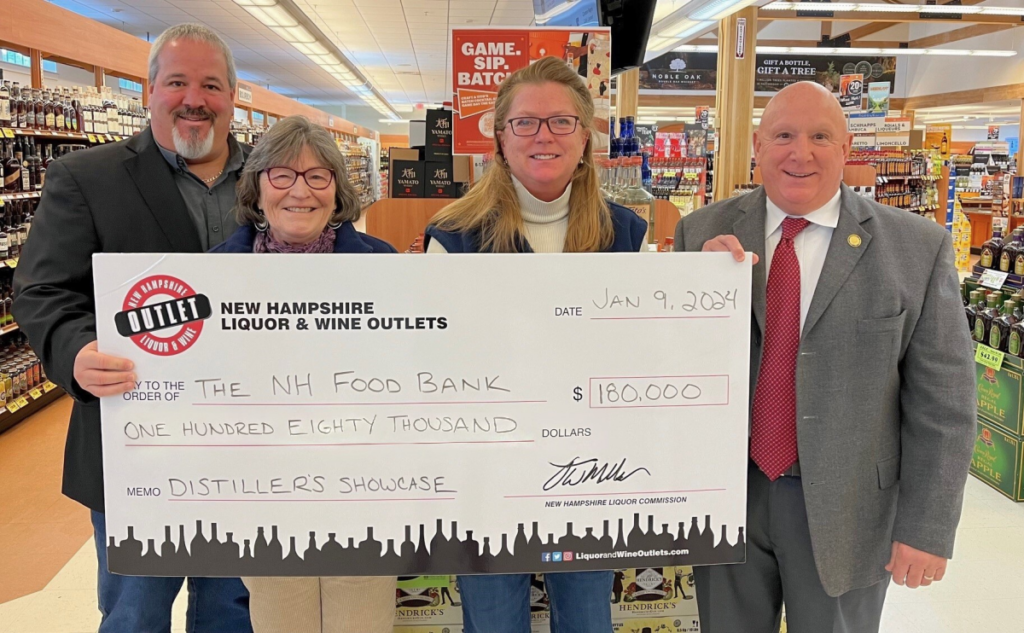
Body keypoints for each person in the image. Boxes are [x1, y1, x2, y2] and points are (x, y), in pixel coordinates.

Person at [674, 81, 975, 632]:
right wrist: (689, 288)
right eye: (784, 135)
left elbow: (945, 405)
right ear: (758, 147)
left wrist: (926, 529)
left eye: (819, 137)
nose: (800, 152)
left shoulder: (915, 247)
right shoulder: (703, 233)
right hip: (728, 498)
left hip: (851, 509)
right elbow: (671, 367)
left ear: (845, 150)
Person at [13, 24, 252, 633]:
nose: (193, 98)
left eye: (210, 84)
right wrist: (74, 353)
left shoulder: (276, 179)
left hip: (249, 444)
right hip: (135, 443)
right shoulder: (85, 178)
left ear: (233, 96)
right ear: (150, 91)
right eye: (176, 82)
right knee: (134, 612)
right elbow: (42, 290)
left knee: (235, 609)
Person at [425, 55, 647, 633]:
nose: (543, 135)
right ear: (500, 137)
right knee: (493, 623)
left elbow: (648, 350)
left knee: (588, 622)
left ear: (585, 136)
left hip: (593, 477)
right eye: (525, 122)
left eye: (561, 121)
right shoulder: (454, 237)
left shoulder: (628, 234)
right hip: (487, 481)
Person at [211, 114, 398, 632]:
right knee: (279, 617)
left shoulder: (385, 267)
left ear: (337, 191)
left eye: (318, 177)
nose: (301, 191)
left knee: (361, 618)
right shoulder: (213, 273)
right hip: (263, 491)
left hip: (364, 491)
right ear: (257, 186)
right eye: (282, 175)